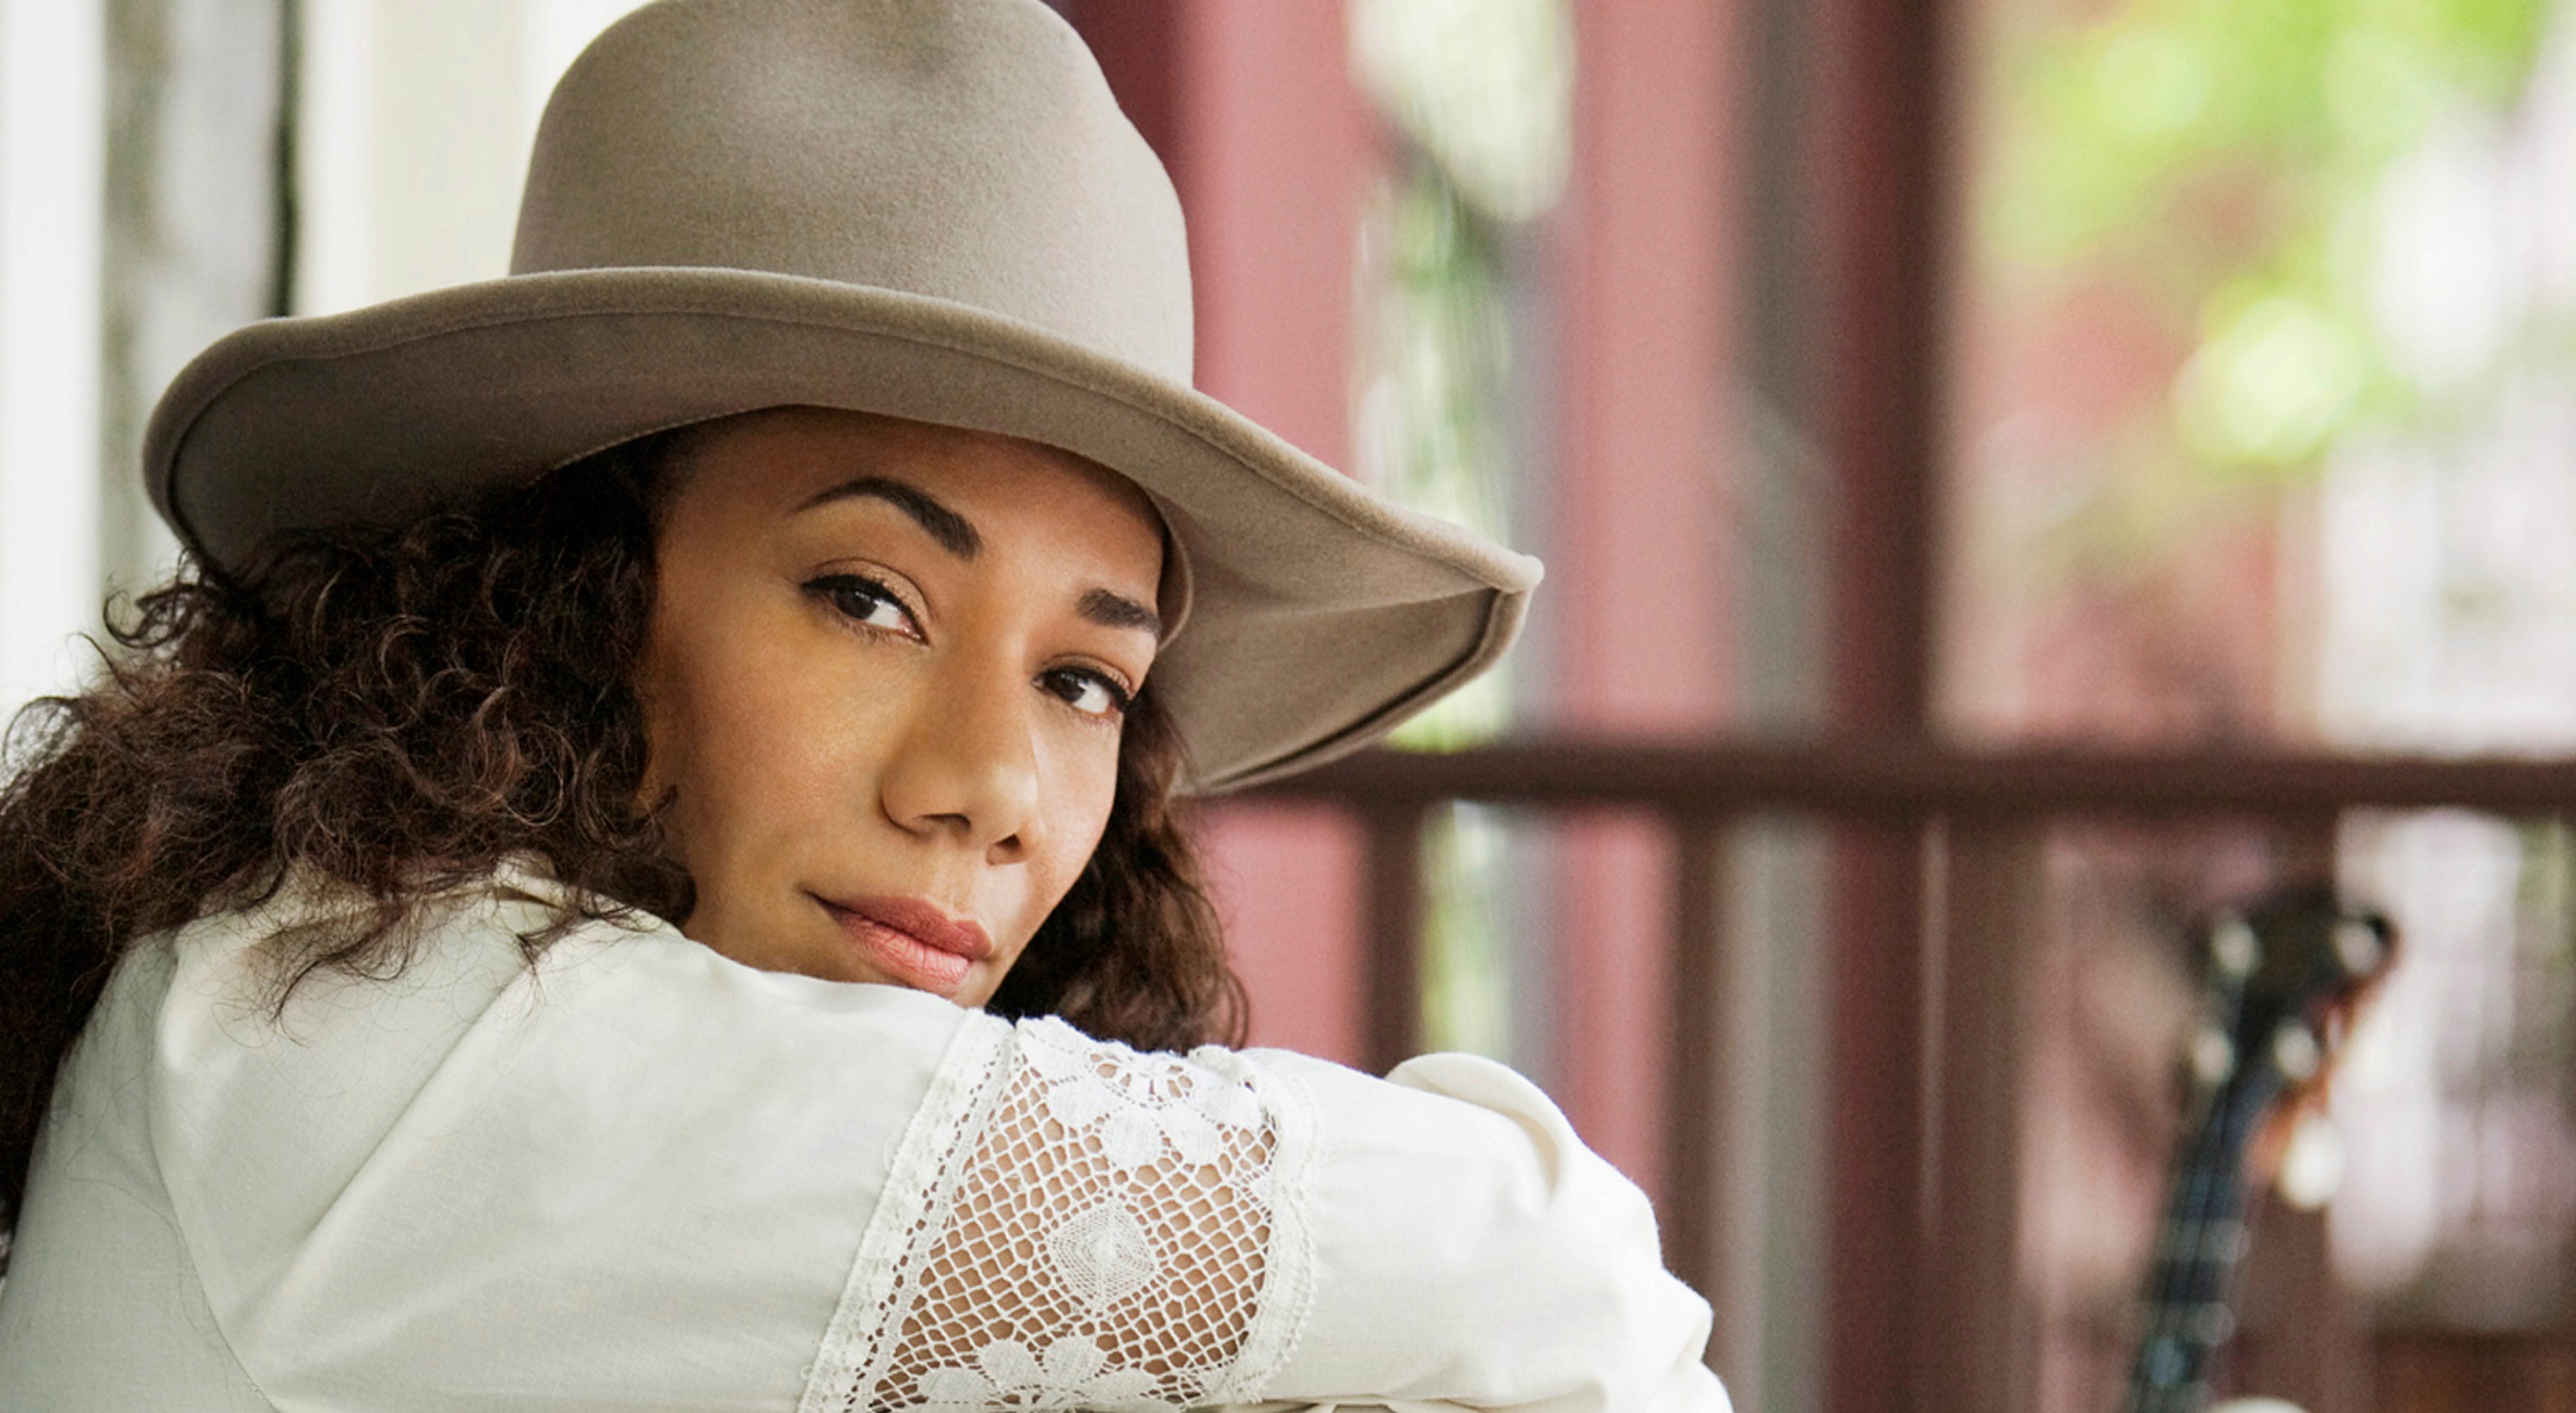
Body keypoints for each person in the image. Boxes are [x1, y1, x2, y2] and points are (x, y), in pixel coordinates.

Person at [0, 1, 1731, 1409]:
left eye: (1081, 680)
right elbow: (1539, 1266)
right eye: (867, 599)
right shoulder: (346, 1042)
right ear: (554, 600)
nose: (990, 785)